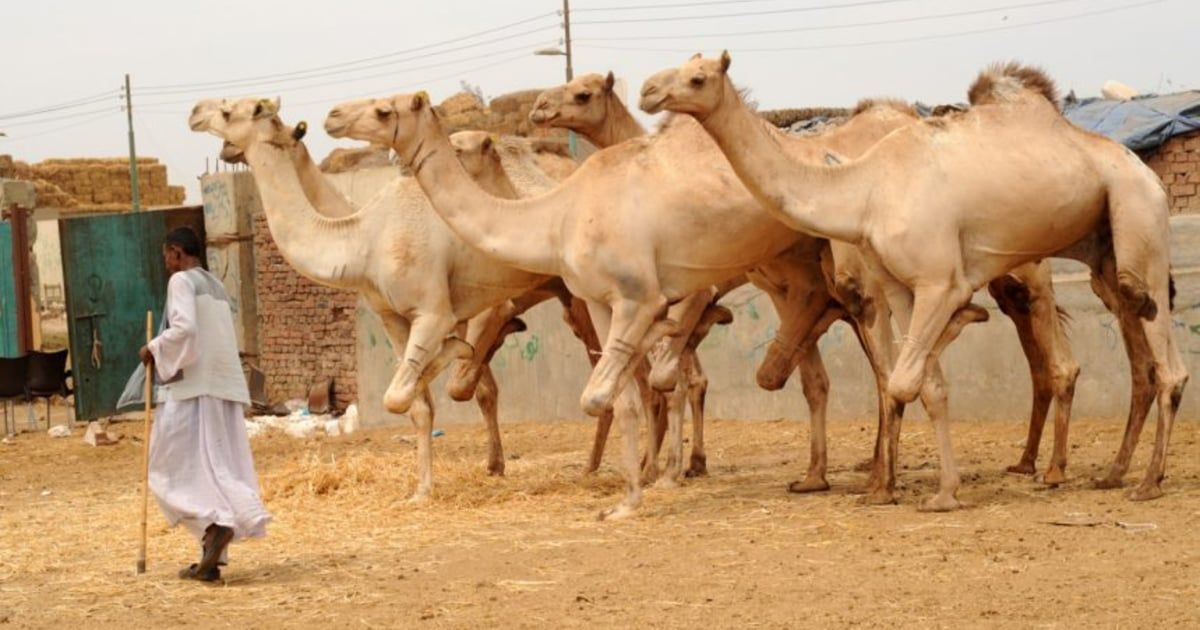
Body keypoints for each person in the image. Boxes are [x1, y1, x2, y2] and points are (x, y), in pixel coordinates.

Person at [139, 226, 271, 582]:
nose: (166, 263)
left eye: (167, 255)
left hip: (195, 389)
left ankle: (215, 525)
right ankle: (211, 556)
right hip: (223, 386)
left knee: (165, 468)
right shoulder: (215, 285)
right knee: (216, 466)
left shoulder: (181, 282)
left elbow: (184, 329)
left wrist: (153, 349)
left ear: (179, 252)